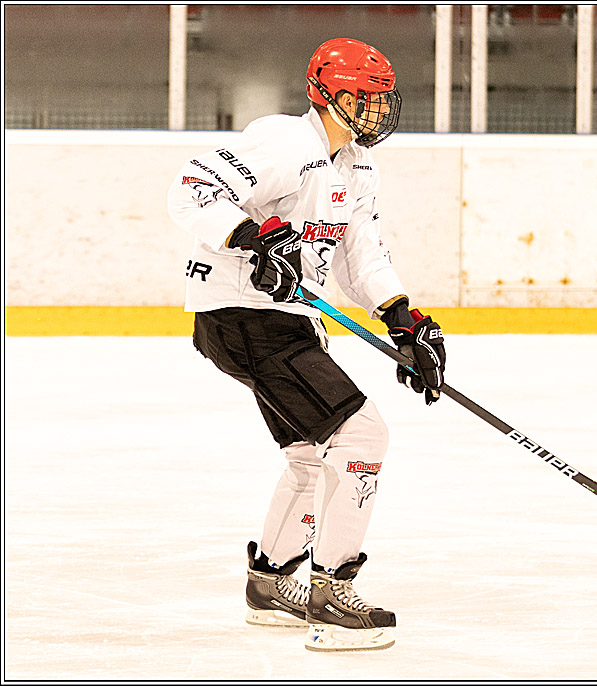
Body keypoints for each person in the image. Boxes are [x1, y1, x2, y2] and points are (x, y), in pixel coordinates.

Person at [167, 38, 446, 652]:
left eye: (381, 102)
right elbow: (191, 189)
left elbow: (359, 253)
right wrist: (252, 239)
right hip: (244, 314)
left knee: (311, 456)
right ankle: (332, 589)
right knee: (361, 434)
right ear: (327, 94)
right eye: (363, 100)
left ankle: (269, 584)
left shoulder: (356, 167)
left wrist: (402, 317)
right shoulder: (284, 143)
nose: (377, 113)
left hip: (276, 323)